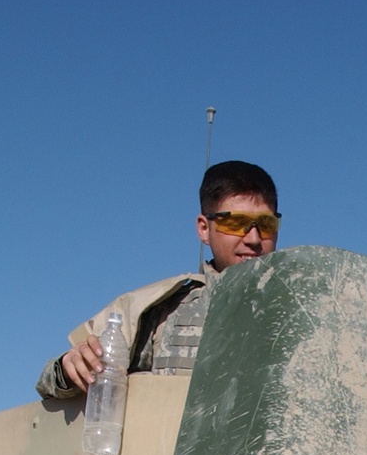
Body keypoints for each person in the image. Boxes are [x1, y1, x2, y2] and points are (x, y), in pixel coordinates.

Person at [36, 160, 280, 399]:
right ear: (204, 229)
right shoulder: (159, 310)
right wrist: (70, 368)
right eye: (236, 223)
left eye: (266, 224)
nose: (254, 239)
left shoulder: (302, 308)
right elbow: (50, 383)